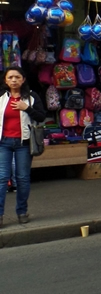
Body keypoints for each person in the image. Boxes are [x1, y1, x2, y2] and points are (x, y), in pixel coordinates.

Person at [0, 66, 46, 227]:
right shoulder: (1, 97)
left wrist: (26, 108)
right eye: (10, 77)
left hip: (24, 143)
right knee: (2, 178)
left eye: (17, 77)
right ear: (5, 80)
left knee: (23, 178)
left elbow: (41, 116)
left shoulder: (31, 97)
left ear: (23, 79)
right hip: (3, 142)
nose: (14, 80)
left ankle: (22, 212)